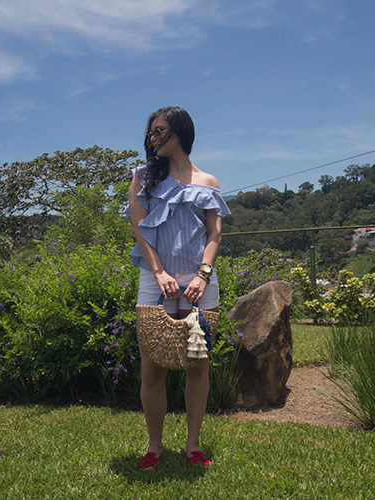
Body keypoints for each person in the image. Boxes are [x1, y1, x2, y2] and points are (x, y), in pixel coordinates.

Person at [127, 106, 231, 470]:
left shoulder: (208, 182)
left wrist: (203, 275)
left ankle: (193, 445)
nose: (153, 138)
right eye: (151, 132)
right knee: (152, 367)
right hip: (156, 282)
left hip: (201, 283)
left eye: (161, 131)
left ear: (180, 133)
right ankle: (154, 446)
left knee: (197, 363)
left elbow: (215, 234)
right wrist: (158, 273)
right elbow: (140, 230)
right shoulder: (143, 178)